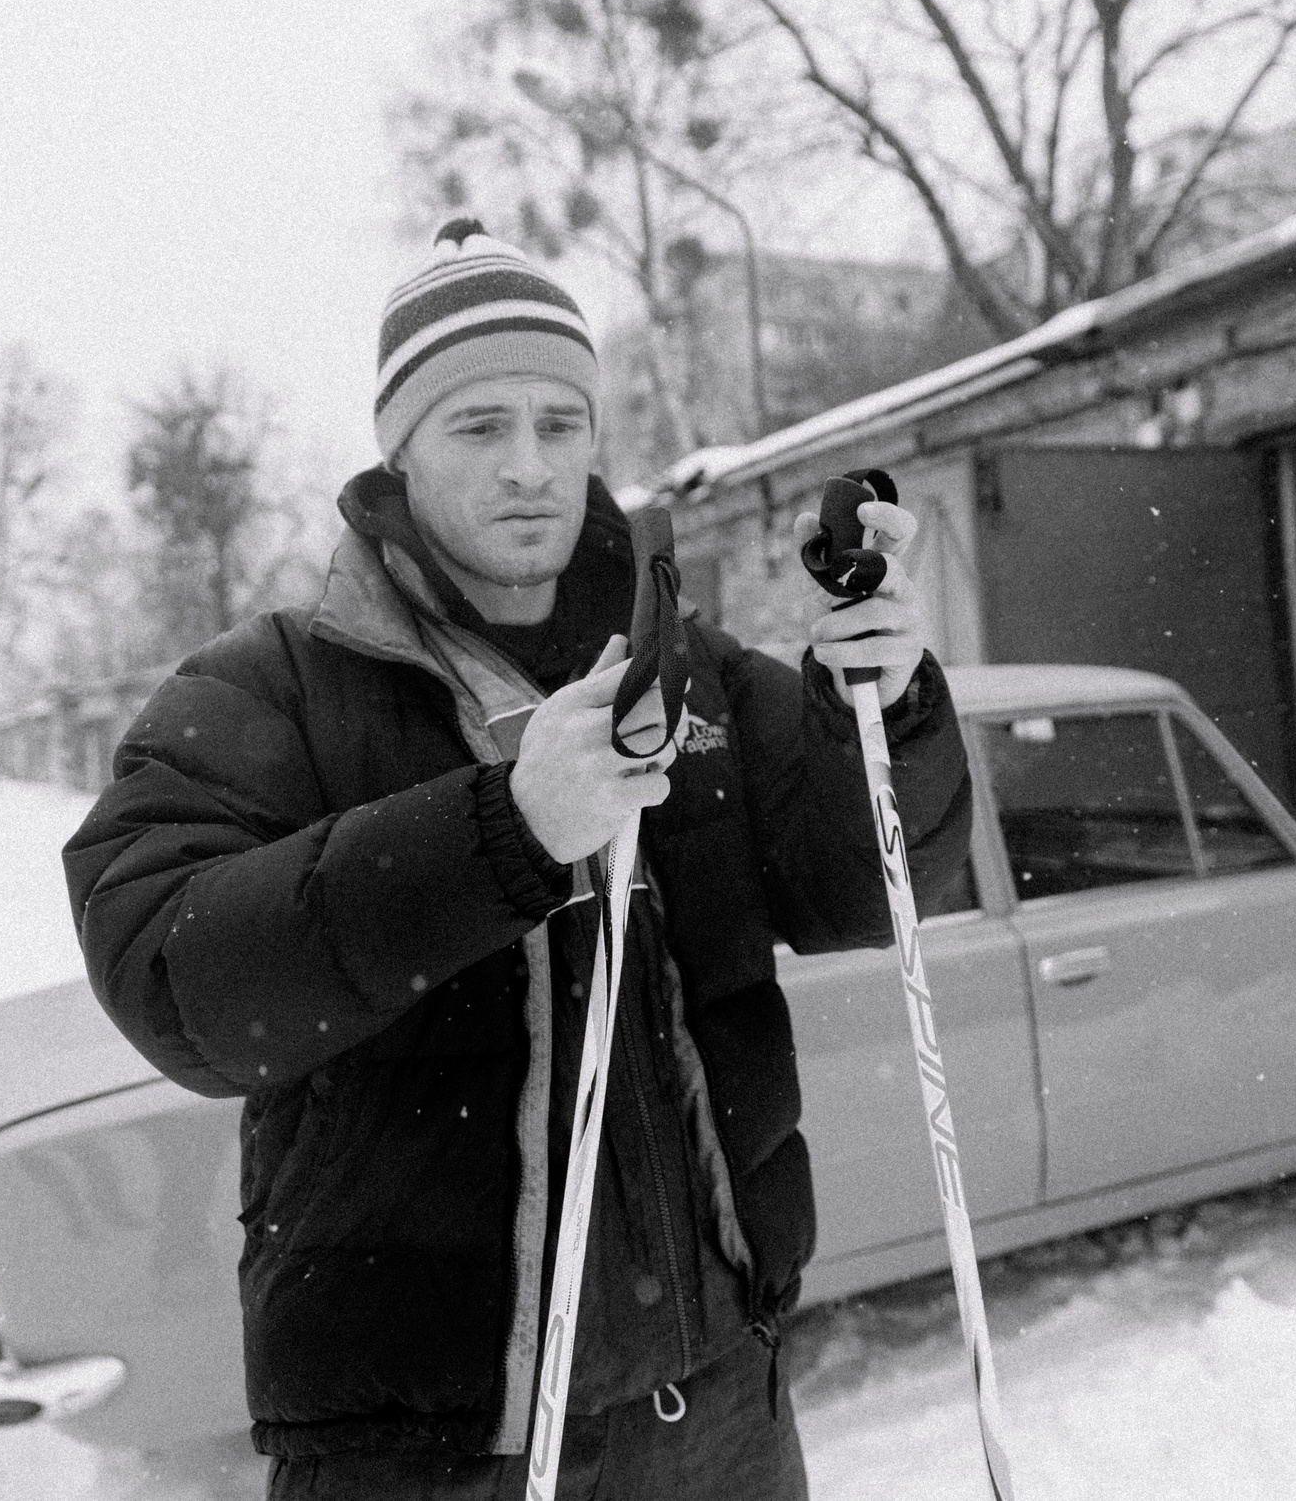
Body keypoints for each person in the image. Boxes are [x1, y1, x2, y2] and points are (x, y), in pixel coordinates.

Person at [63, 218, 973, 1500]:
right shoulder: (267, 691)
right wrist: (505, 829)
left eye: (561, 423)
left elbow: (875, 891)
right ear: (398, 450)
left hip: (719, 1405)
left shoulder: (689, 671)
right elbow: (171, 981)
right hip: (427, 1453)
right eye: (479, 426)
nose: (530, 467)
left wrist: (885, 707)